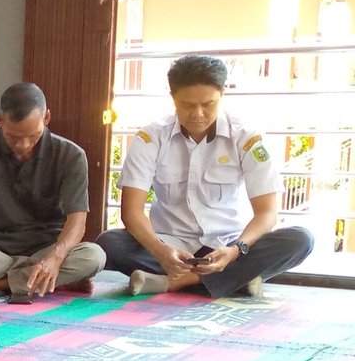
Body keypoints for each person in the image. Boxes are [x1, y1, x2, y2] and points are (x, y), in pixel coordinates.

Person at [98, 54, 314, 297]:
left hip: (228, 246)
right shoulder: (151, 138)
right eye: (187, 105)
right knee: (109, 242)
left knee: (301, 239)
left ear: (222, 93)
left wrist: (236, 250)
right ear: (172, 97)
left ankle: (179, 282)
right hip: (170, 246)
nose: (198, 114)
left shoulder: (245, 137)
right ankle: (236, 279)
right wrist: (161, 251)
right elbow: (131, 212)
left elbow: (267, 213)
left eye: (208, 104)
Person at [0, 82, 106, 298]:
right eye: (12, 137)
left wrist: (55, 258)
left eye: (33, 136)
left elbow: (77, 221)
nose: (23, 145)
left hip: (46, 248)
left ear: (46, 118)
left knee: (94, 256)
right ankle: (47, 280)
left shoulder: (72, 155)